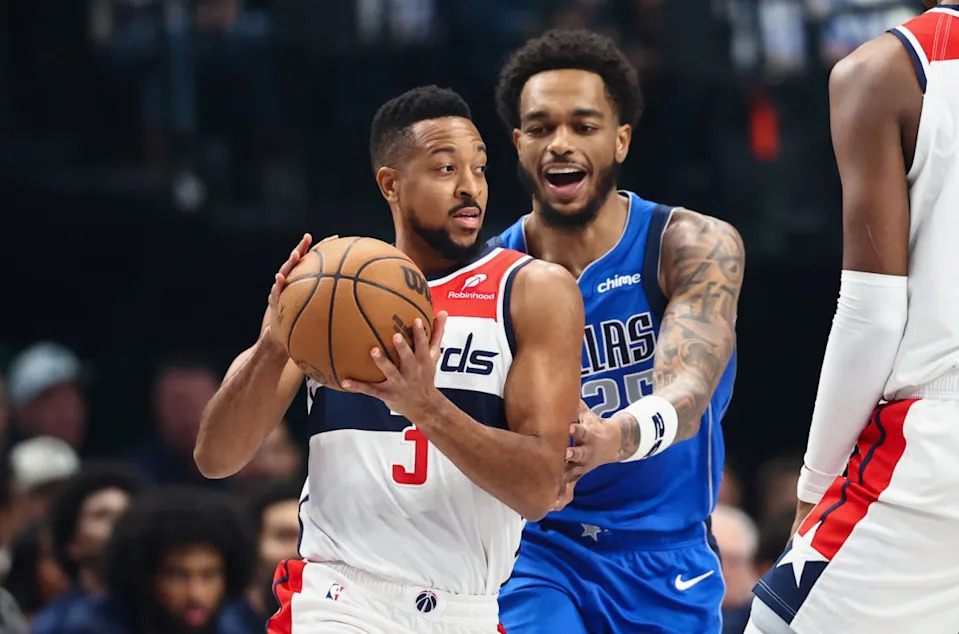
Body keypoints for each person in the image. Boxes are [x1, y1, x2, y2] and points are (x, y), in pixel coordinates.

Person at [194, 85, 585, 634]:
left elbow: (540, 490)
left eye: (479, 167)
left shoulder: (531, 291)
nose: (470, 187)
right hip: (341, 600)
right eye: (446, 169)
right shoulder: (323, 291)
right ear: (391, 183)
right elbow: (216, 458)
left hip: (469, 609)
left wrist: (426, 406)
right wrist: (274, 344)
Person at [492, 29, 744, 633]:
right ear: (517, 141)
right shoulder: (492, 276)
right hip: (537, 551)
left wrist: (613, 437)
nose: (560, 144)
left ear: (621, 139)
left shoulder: (689, 245)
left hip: (664, 555)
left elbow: (686, 393)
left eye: (583, 126)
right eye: (541, 127)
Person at [747, 2, 959, 633]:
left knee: (776, 622)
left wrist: (813, 487)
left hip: (937, 439)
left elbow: (871, 312)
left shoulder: (886, 70)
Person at [57, 487, 256, 634]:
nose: (195, 594)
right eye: (177, 575)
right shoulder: (90, 626)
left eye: (209, 575)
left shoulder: (232, 627)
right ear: (143, 574)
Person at [33, 464, 143, 634]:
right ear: (72, 543)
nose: (119, 524)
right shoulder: (57, 625)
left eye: (127, 514)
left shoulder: (158, 614)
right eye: (101, 515)